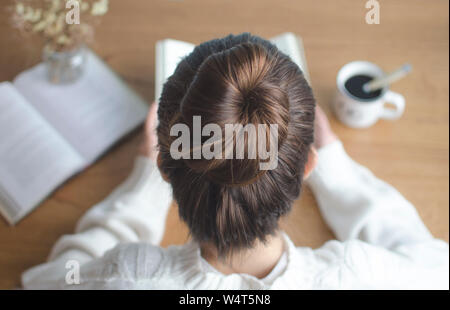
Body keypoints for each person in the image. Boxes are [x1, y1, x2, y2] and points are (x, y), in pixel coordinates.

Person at [22, 34, 448, 289]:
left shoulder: (126, 275)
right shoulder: (359, 276)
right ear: (305, 167)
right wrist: (338, 169)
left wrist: (141, 188)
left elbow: (46, 278)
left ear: (166, 164)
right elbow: (436, 267)